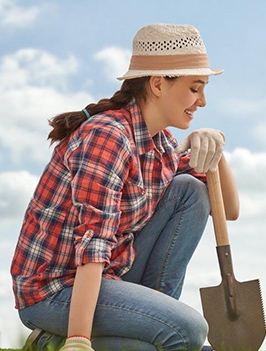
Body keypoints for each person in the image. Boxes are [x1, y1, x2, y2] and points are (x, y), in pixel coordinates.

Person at [11, 23, 238, 351]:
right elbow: (94, 244)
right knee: (190, 329)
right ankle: (56, 340)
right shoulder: (108, 136)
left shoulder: (161, 145)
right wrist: (79, 341)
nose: (202, 101)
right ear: (158, 84)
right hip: (55, 291)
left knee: (190, 189)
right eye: (195, 88)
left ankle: (154, 329)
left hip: (109, 279)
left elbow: (228, 210)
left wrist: (216, 150)